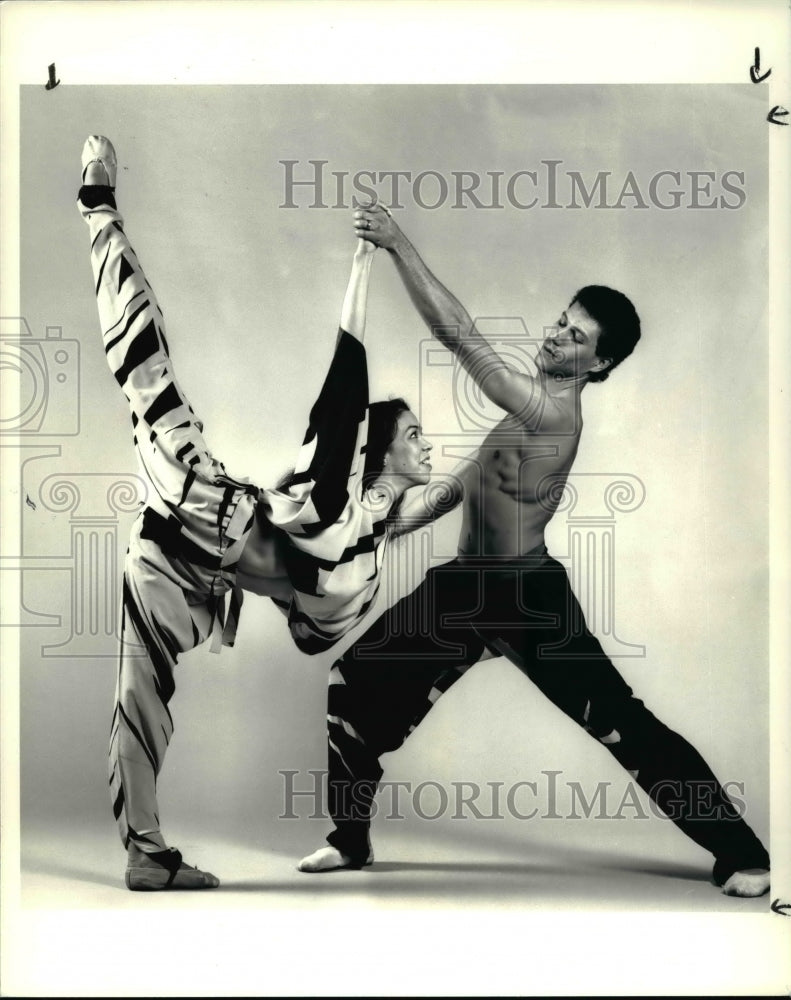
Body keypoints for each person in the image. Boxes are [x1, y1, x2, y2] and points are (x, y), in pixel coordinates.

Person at [297, 202, 771, 899]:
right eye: (559, 320)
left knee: (622, 727)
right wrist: (394, 524)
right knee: (352, 688)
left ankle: (739, 851)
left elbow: (460, 339)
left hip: (525, 597)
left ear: (598, 363)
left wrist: (398, 244)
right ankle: (349, 838)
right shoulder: (525, 407)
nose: (554, 336)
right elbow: (470, 482)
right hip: (464, 588)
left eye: (573, 336)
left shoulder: (552, 413)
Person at [77, 138, 461, 890]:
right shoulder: (333, 493)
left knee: (139, 698)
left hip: (181, 569)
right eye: (414, 435)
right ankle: (99, 210)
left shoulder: (372, 524)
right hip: (201, 503)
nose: (428, 445)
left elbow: (450, 491)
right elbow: (343, 384)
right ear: (377, 451)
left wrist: (524, 436)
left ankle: (145, 854)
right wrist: (363, 264)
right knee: (143, 362)